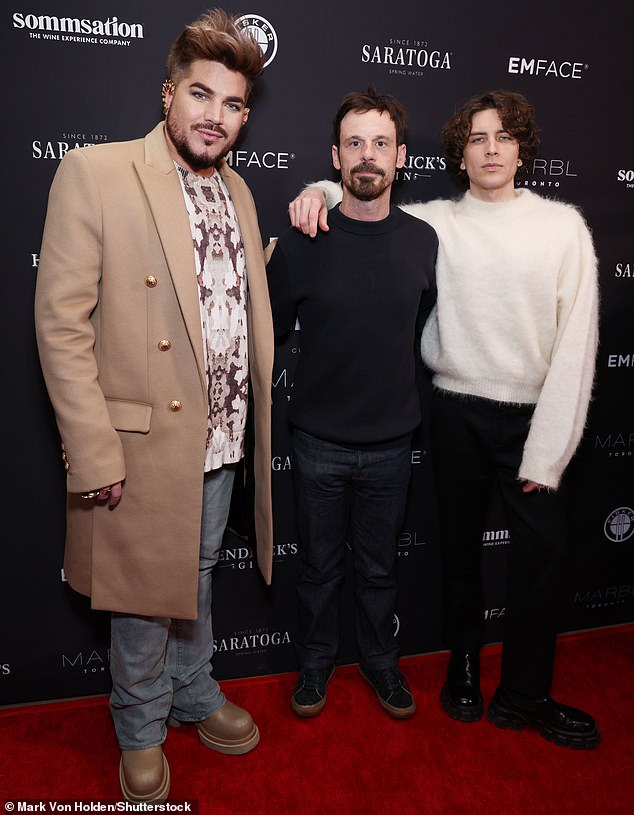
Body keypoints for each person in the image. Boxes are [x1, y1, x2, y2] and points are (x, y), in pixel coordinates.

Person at [288, 89, 601, 749]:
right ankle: (461, 669)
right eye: (477, 137)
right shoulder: (436, 223)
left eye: (503, 137)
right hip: (453, 409)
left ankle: (526, 692)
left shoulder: (562, 225)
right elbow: (362, 195)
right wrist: (316, 188)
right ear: (459, 152)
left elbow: (578, 345)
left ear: (522, 149)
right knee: (457, 556)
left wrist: (548, 451)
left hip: (532, 417)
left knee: (540, 560)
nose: (490, 148)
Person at [34, 9, 275, 803]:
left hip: (221, 436)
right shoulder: (96, 172)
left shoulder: (238, 188)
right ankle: (139, 720)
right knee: (143, 591)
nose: (215, 116)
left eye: (233, 104)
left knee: (197, 573)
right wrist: (95, 450)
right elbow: (61, 325)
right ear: (168, 93)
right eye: (201, 95)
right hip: (139, 441)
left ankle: (193, 688)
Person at [266, 88, 437, 720]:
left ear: (399, 157)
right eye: (356, 143)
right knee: (316, 569)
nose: (369, 155)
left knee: (379, 569)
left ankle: (380, 664)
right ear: (336, 158)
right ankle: (314, 668)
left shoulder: (426, 241)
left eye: (382, 143)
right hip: (317, 444)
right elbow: (268, 329)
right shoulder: (304, 240)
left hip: (394, 444)